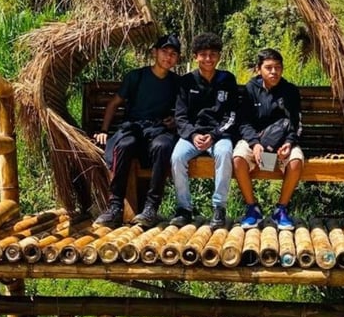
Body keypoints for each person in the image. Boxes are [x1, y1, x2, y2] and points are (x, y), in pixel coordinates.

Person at [92, 34, 182, 229]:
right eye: (164, 51)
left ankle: (151, 208)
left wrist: (175, 121)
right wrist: (103, 130)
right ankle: (115, 207)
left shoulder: (176, 82)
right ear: (155, 52)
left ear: (177, 59)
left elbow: (185, 111)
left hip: (158, 130)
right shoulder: (136, 76)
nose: (168, 57)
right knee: (124, 144)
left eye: (173, 54)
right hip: (134, 128)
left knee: (163, 146)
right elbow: (114, 104)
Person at [170, 32, 238, 229]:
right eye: (203, 54)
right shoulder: (186, 82)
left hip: (219, 135)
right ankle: (184, 209)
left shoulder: (227, 79)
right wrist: (193, 135)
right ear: (195, 56)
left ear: (219, 56)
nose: (208, 59)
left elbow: (231, 116)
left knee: (225, 153)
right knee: (177, 157)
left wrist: (214, 135)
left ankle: (219, 208)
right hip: (192, 135)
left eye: (213, 54)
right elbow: (180, 117)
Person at [233, 48, 303, 230]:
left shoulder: (290, 91)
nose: (274, 72)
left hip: (283, 143)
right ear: (259, 69)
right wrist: (254, 144)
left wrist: (288, 143)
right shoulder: (250, 89)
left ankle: (281, 210)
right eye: (269, 67)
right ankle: (252, 208)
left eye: (278, 67)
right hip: (255, 141)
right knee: (238, 158)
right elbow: (244, 122)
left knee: (296, 162)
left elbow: (295, 123)